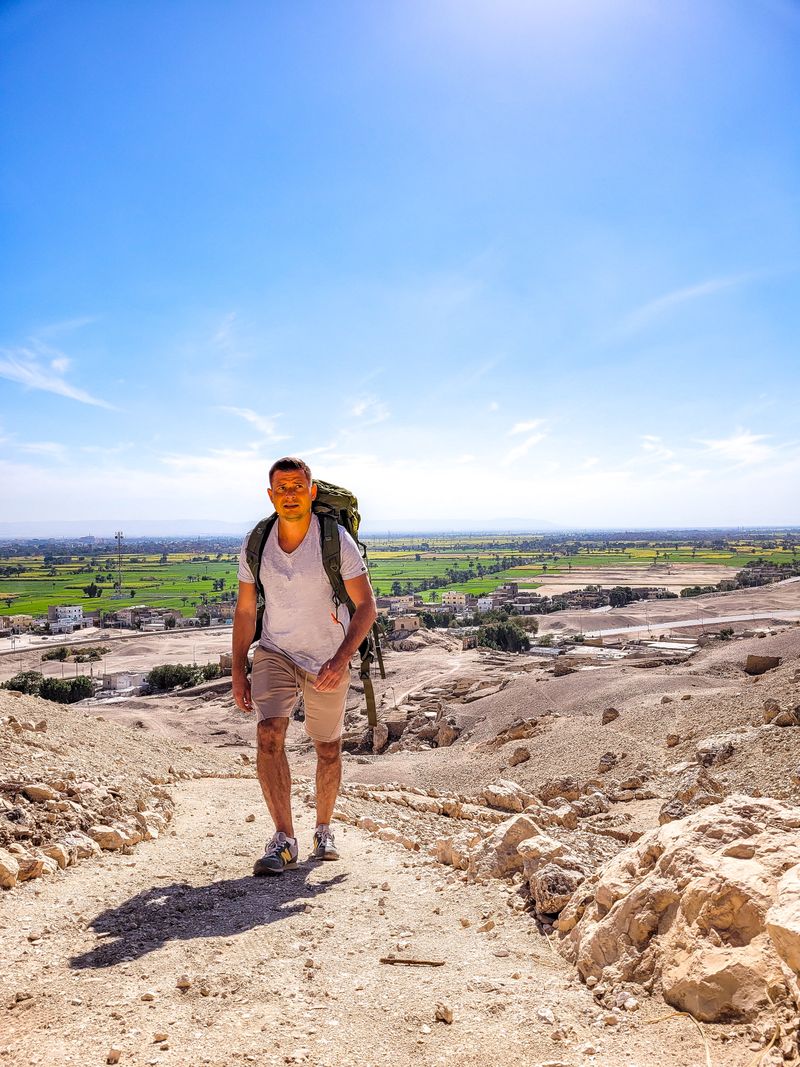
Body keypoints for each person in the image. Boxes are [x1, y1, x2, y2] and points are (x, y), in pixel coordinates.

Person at [232, 457, 378, 876]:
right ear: (270, 494)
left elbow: (367, 606)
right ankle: (284, 839)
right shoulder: (256, 542)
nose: (290, 494)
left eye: (298, 486)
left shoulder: (335, 541)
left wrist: (341, 658)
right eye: (282, 487)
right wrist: (239, 669)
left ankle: (323, 829)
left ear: (312, 493)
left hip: (327, 657)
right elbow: (245, 611)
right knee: (268, 733)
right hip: (275, 650)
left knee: (328, 747)